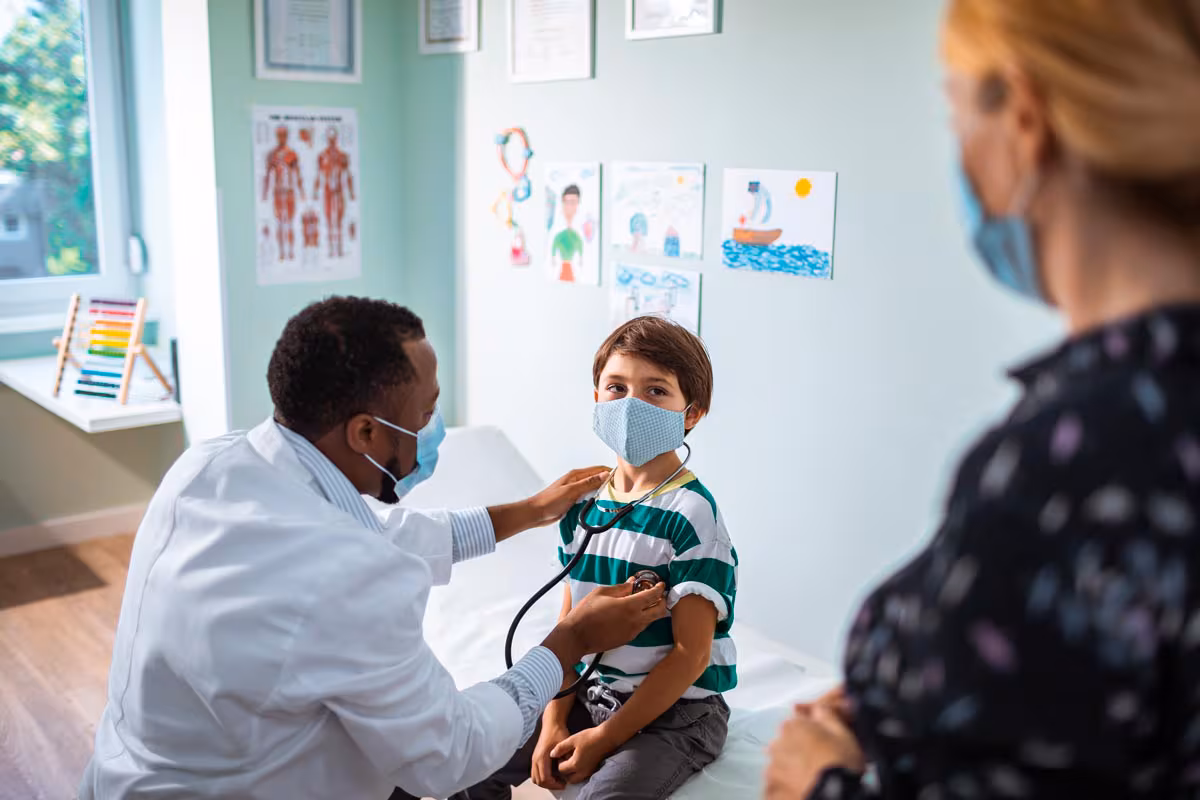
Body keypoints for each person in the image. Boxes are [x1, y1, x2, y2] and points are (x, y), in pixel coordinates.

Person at [765, 1, 1200, 797]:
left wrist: (816, 782)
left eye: (956, 112)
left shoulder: (1072, 466)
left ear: (1026, 122)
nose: (959, 150)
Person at [79, 297, 670, 800]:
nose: (435, 427)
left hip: (126, 772)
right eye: (427, 412)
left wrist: (527, 512)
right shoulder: (346, 575)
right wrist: (566, 645)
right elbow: (450, 753)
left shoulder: (209, 463)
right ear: (365, 432)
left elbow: (373, 533)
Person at [458, 316, 738, 799]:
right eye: (616, 387)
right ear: (596, 397)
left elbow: (691, 656)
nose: (631, 405)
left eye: (656, 391)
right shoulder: (583, 508)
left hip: (678, 712)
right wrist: (553, 721)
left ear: (691, 414)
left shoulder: (692, 514)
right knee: (472, 757)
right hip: (591, 693)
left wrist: (604, 739)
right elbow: (570, 630)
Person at [262, 125, 303, 261]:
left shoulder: (291, 154)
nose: (282, 138)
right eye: (279, 135)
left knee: (289, 223)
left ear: (287, 136)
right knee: (280, 223)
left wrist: (302, 192)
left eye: (284, 135)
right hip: (278, 192)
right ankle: (281, 252)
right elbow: (267, 175)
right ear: (276, 136)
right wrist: (264, 193)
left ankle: (290, 252)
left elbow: (297, 173)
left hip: (289, 192)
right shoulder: (272, 155)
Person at [315, 126, 355, 258]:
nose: (331, 140)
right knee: (328, 220)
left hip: (339, 190)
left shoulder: (342, 156)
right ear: (327, 138)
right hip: (327, 191)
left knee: (338, 221)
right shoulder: (322, 156)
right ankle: (331, 250)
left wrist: (351, 192)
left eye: (333, 138)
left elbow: (348, 174)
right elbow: (318, 175)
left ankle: (340, 248)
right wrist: (315, 191)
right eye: (329, 138)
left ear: (336, 138)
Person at [552, 184, 585, 282]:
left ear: (578, 204)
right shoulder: (556, 231)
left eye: (573, 202)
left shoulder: (580, 233)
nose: (569, 207)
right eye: (566, 202)